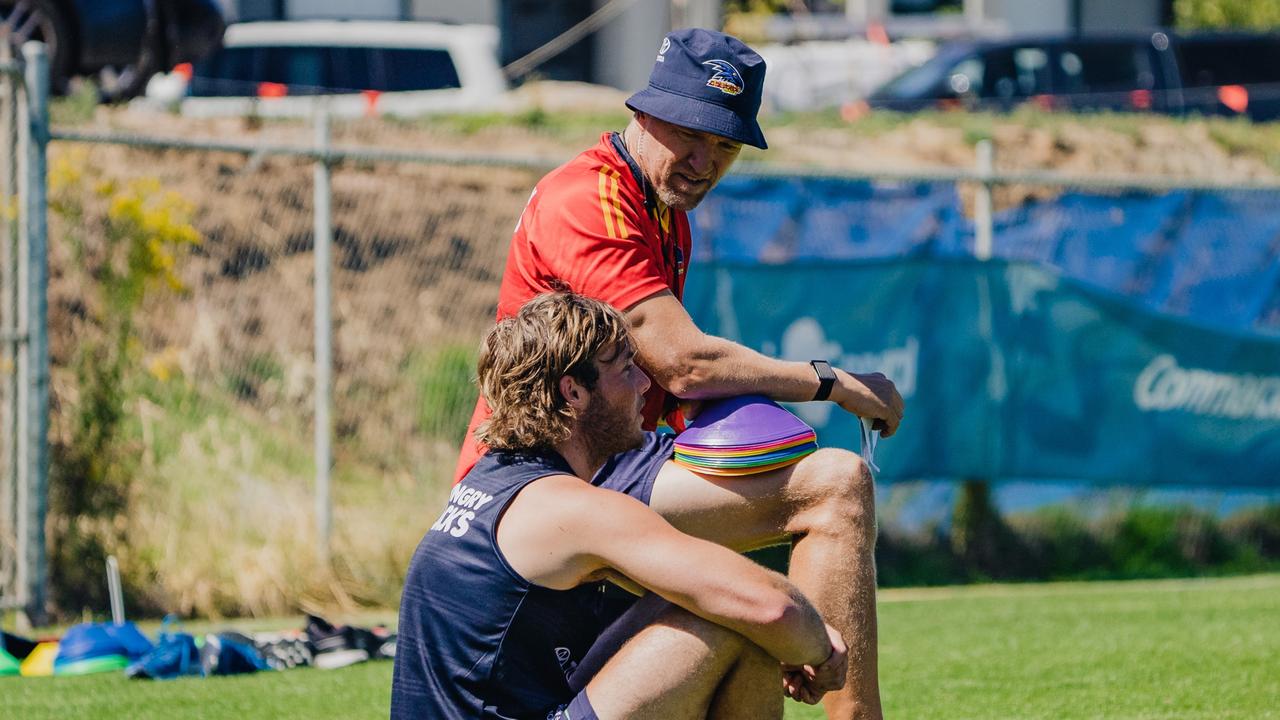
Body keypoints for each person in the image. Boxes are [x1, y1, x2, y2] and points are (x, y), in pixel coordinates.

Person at [454, 28, 904, 720]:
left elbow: (662, 382)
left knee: (749, 624)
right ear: (645, 111)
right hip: (535, 488)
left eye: (724, 145)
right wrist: (831, 381)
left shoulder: (660, 206)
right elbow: (685, 362)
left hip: (589, 471)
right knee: (834, 486)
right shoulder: (592, 200)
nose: (704, 160)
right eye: (690, 134)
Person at [393, 292, 848, 719]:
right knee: (735, 624)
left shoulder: (494, 480)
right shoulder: (569, 508)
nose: (646, 384)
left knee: (711, 603)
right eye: (627, 369)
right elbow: (773, 609)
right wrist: (819, 651)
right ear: (573, 392)